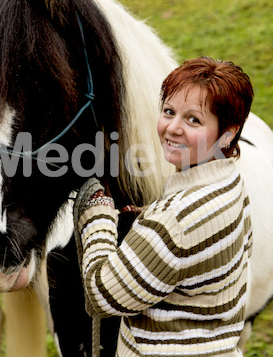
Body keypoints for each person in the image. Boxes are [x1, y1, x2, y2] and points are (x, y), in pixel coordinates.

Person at [73, 57, 254, 357]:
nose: (172, 128)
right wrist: (147, 220)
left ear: (228, 133)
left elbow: (101, 295)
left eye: (193, 120)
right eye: (169, 112)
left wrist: (97, 214)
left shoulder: (172, 223)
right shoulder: (231, 184)